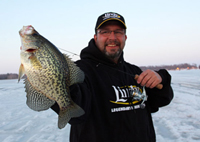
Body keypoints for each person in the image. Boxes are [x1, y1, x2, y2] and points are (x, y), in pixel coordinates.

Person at [51, 12, 174, 142]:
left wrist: (162, 77)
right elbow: (75, 115)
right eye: (105, 32)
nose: (112, 37)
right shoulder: (78, 71)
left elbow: (159, 102)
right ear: (95, 37)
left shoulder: (134, 71)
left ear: (125, 37)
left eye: (118, 32)